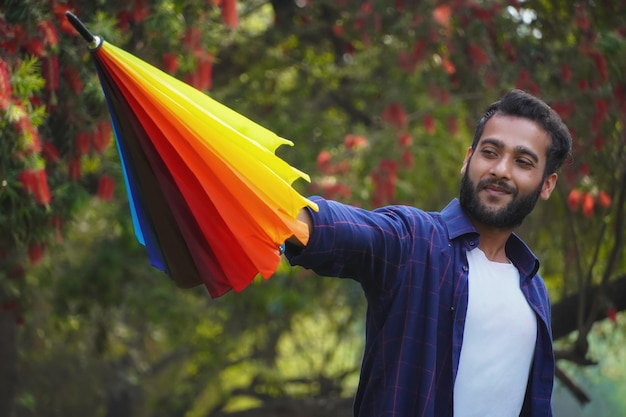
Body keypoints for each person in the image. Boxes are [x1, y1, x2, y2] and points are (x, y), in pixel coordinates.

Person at [284, 89, 572, 417]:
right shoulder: (415, 240)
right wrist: (265, 207)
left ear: (547, 184)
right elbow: (336, 227)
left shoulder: (533, 290)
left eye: (522, 162)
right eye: (490, 152)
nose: (501, 170)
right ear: (468, 160)